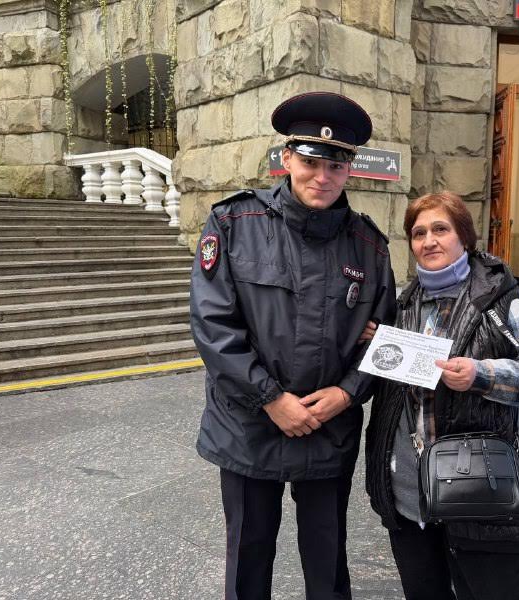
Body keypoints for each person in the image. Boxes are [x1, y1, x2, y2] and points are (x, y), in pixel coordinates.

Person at [190, 91, 397, 600]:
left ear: (349, 170)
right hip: (247, 424)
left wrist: (348, 393)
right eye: (310, 162)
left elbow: (385, 337)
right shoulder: (234, 224)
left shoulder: (369, 246)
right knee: (248, 555)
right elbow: (214, 325)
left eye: (335, 165)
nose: (321, 177)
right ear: (287, 159)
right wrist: (270, 398)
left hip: (329, 426)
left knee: (327, 561)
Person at [364, 191, 519, 600]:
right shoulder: (406, 303)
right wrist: (381, 343)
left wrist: (481, 374)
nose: (429, 241)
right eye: (419, 233)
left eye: (441, 229)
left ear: (464, 237)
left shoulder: (501, 301)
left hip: (481, 497)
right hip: (411, 498)